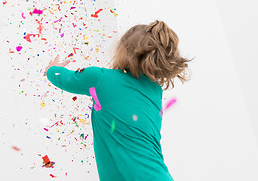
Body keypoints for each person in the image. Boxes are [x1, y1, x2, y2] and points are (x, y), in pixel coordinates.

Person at [44, 20, 194, 181]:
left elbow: (66, 79)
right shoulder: (154, 91)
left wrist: (52, 69)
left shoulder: (99, 79)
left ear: (124, 51)